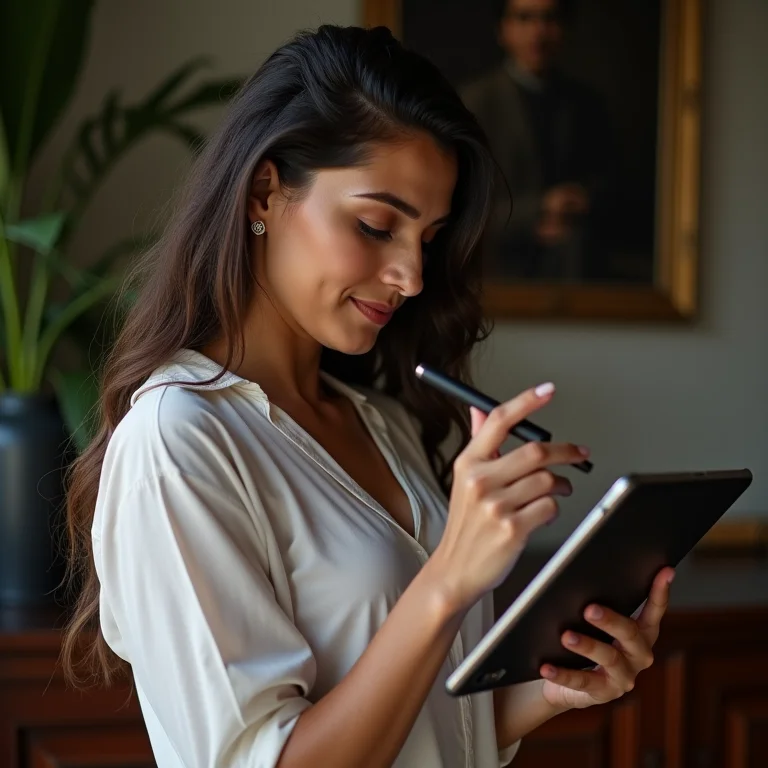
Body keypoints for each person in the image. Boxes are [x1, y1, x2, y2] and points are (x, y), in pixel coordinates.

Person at [62, 25, 672, 768]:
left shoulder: (381, 424)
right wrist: (448, 576)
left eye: (429, 237)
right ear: (266, 191)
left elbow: (433, 728)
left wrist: (558, 686)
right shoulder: (179, 440)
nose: (412, 277)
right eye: (376, 225)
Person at [460, 0, 614, 281]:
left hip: (579, 276)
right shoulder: (475, 103)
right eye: (524, 18)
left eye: (549, 19)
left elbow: (612, 185)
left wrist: (582, 200)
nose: (538, 32)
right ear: (502, 29)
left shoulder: (586, 104)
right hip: (499, 276)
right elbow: (462, 208)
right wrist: (540, 209)